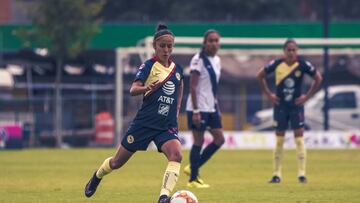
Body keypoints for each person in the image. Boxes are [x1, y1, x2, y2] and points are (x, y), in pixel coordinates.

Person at [84, 23, 184, 203]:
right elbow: (133, 89)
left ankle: (163, 198)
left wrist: (176, 110)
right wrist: (147, 87)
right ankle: (97, 176)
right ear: (155, 46)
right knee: (117, 162)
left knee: (176, 155)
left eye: (170, 46)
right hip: (144, 123)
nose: (166, 49)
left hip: (166, 126)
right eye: (162, 45)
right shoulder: (148, 65)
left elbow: (180, 86)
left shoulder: (177, 70)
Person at [256, 38, 322, 184]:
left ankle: (302, 174)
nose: (291, 53)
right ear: (284, 51)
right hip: (280, 106)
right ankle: (276, 174)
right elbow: (260, 75)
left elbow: (318, 78)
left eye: (294, 50)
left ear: (296, 51)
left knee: (299, 139)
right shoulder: (277, 64)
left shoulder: (303, 64)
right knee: (279, 140)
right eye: (289, 50)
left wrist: (307, 97)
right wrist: (268, 95)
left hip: (296, 106)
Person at [184, 29, 225, 188]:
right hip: (198, 107)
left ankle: (194, 167)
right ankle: (193, 180)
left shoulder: (217, 60)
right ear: (205, 43)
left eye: (216, 40)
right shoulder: (198, 59)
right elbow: (192, 87)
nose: (214, 43)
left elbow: (212, 87)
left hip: (211, 107)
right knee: (199, 141)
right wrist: (195, 111)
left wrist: (217, 106)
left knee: (220, 139)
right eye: (211, 41)